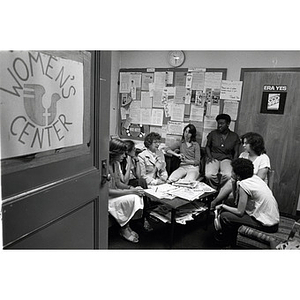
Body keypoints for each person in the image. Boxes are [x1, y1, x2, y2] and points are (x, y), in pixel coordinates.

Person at [214, 158, 280, 246]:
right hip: (271, 218)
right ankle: (229, 233)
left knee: (224, 216)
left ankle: (228, 243)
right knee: (229, 202)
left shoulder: (244, 185)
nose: (231, 173)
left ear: (238, 175)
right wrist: (234, 183)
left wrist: (222, 206)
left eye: (233, 171)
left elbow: (239, 212)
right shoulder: (254, 178)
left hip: (267, 225)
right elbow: (236, 201)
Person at [211, 132, 271, 209]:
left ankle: (223, 207)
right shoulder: (243, 155)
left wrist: (239, 181)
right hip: (239, 184)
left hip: (253, 187)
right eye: (243, 143)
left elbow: (259, 179)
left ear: (254, 144)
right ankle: (215, 201)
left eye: (246, 143)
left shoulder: (263, 158)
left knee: (230, 198)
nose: (243, 145)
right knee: (230, 182)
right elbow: (235, 172)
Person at [108, 138, 145, 243]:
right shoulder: (106, 166)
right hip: (107, 198)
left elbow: (118, 183)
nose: (125, 156)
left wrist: (131, 188)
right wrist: (132, 191)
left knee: (138, 195)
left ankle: (126, 225)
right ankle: (124, 228)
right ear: (114, 153)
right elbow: (108, 191)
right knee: (133, 196)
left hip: (114, 194)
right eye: (122, 154)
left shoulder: (116, 164)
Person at [119, 139, 152, 231]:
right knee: (141, 183)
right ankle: (145, 217)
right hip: (124, 183)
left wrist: (136, 161)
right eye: (133, 149)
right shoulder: (121, 161)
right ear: (128, 151)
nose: (135, 150)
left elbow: (137, 175)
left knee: (141, 181)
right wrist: (129, 163)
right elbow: (124, 182)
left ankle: (144, 216)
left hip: (132, 181)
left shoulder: (131, 158)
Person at [205, 113, 240, 190]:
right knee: (209, 175)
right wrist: (209, 156)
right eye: (218, 123)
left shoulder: (234, 136)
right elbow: (207, 146)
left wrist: (234, 164)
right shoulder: (213, 134)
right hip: (214, 157)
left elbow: (236, 151)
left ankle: (222, 191)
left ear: (228, 124)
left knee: (228, 175)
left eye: (222, 123)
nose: (219, 125)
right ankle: (214, 190)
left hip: (227, 158)